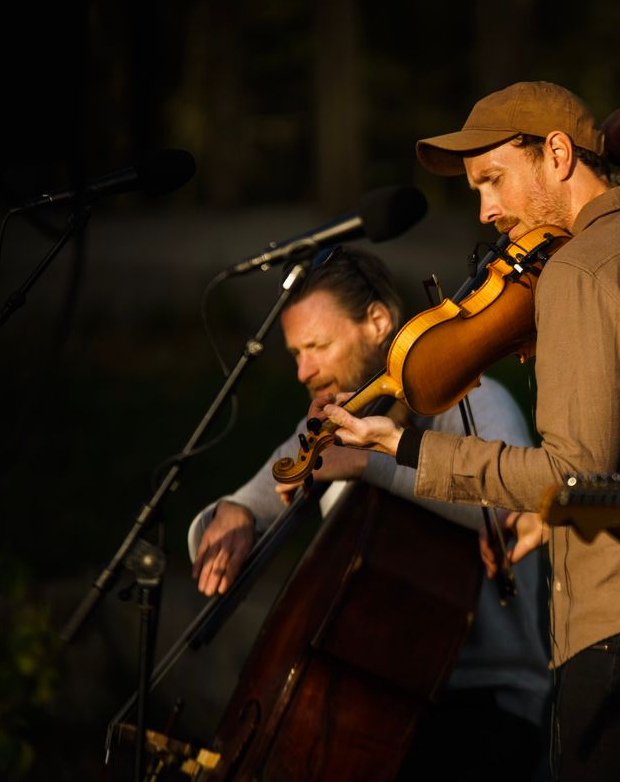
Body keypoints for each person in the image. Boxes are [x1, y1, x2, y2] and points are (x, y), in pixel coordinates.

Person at [318, 81, 620, 779]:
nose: (487, 210)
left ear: (556, 153)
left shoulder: (583, 268)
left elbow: (568, 470)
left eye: (493, 180)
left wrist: (402, 445)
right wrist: (558, 517)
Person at [187, 249, 550, 781]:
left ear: (378, 322)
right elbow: (263, 491)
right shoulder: (334, 424)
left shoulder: (477, 402)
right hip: (377, 698)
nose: (304, 370)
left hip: (488, 703)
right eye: (295, 354)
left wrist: (366, 465)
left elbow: (513, 504)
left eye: (317, 346)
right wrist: (233, 513)